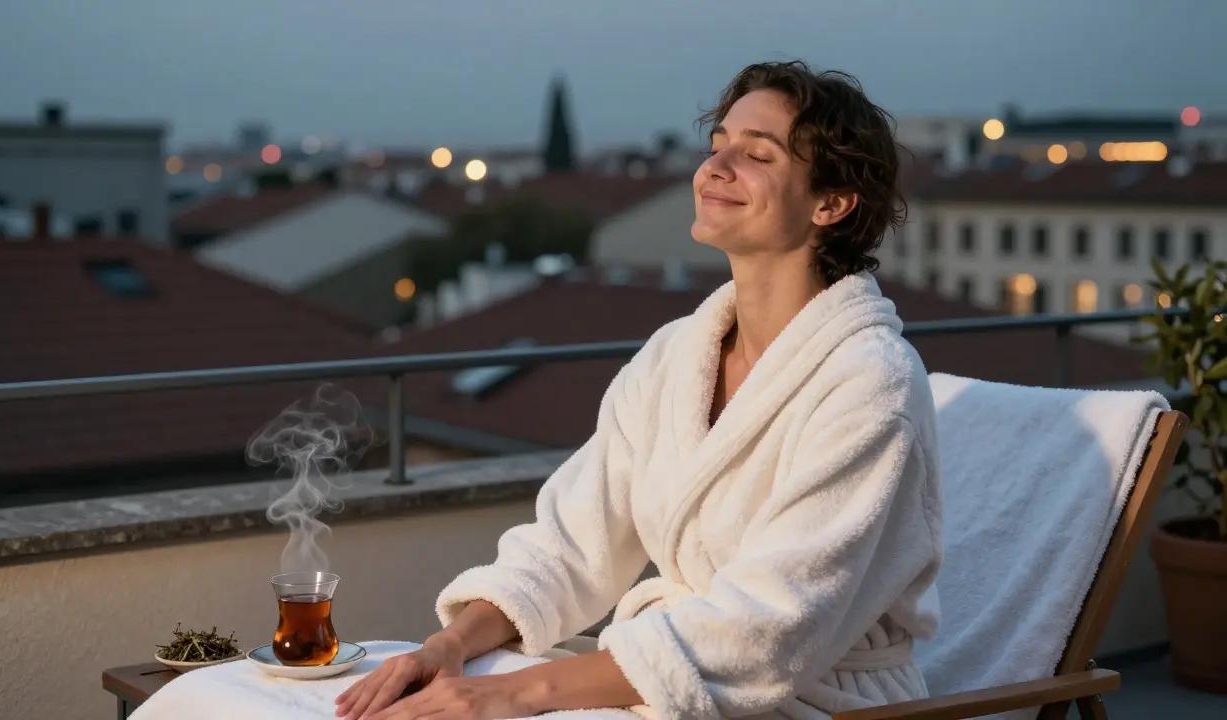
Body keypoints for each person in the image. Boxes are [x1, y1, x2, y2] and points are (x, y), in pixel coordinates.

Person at [337, 60, 943, 720]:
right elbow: (569, 547)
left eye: (757, 155)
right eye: (718, 148)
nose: (715, 170)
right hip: (674, 678)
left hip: (822, 701)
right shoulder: (676, 357)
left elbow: (768, 626)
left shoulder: (870, 383)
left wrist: (503, 694)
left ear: (831, 202)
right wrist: (447, 648)